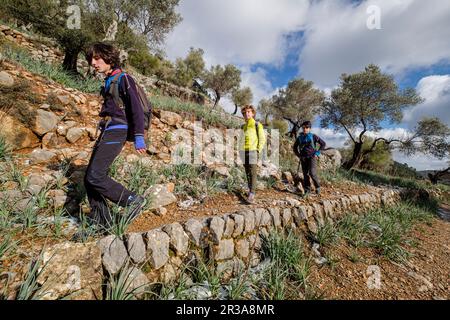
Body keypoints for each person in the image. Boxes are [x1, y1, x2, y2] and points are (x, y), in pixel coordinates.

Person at [75, 43, 147, 239]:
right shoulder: (109, 80)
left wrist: (139, 136)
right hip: (107, 129)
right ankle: (102, 222)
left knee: (95, 176)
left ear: (108, 58)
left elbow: (136, 109)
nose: (93, 63)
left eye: (97, 59)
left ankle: (132, 200)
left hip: (118, 130)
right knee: (90, 178)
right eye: (91, 59)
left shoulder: (124, 78)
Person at [240, 105, 266, 204]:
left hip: (253, 151)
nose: (247, 114)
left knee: (253, 172)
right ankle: (250, 190)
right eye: (245, 113)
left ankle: (252, 193)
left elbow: (262, 138)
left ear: (253, 113)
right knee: (247, 172)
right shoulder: (243, 126)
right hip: (243, 151)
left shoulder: (257, 124)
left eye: (249, 112)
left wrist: (258, 150)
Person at [293, 121, 326, 198]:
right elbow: (294, 148)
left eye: (307, 127)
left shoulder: (313, 136)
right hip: (303, 158)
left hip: (312, 157)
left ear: (310, 128)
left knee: (312, 173)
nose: (305, 129)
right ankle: (307, 190)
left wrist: (317, 153)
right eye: (303, 127)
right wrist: (298, 155)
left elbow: (323, 144)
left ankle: (317, 187)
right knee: (305, 175)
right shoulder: (299, 138)